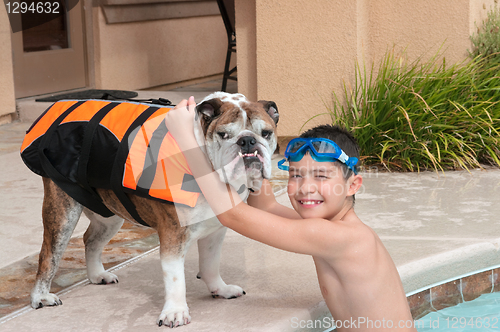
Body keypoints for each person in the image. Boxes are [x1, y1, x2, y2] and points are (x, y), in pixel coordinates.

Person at [165, 97, 416, 331]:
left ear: (353, 185)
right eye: (296, 175)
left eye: (320, 176)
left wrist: (188, 141)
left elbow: (233, 216)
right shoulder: (329, 224)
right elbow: (266, 206)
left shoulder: (337, 236)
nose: (306, 188)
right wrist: (251, 156)